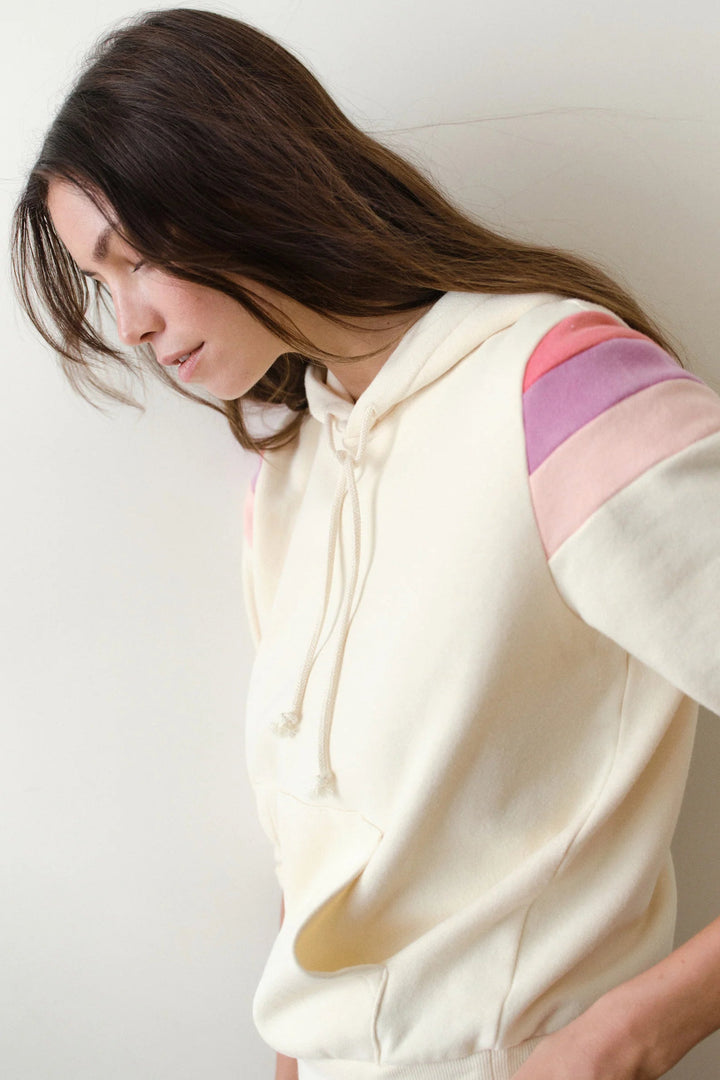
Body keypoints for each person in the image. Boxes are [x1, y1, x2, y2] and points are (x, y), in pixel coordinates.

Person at [11, 8, 720, 1080]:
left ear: (240, 185)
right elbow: (320, 863)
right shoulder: (288, 484)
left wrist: (628, 1037)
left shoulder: (554, 389)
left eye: (135, 260)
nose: (132, 325)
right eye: (101, 285)